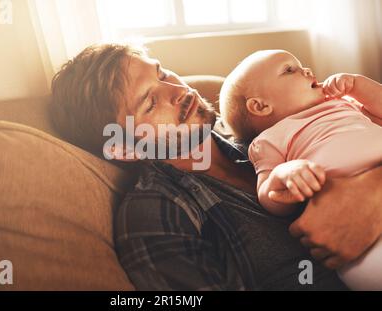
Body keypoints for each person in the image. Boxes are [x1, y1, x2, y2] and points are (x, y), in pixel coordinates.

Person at [51, 43, 382, 290]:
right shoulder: (156, 213)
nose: (179, 91)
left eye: (163, 73)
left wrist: (371, 193)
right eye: (150, 102)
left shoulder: (265, 128)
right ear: (123, 147)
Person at [219, 49, 382, 290]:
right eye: (289, 70)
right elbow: (266, 192)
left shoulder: (344, 104)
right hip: (355, 235)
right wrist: (286, 174)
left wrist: (358, 85)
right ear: (261, 106)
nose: (306, 70)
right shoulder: (270, 139)